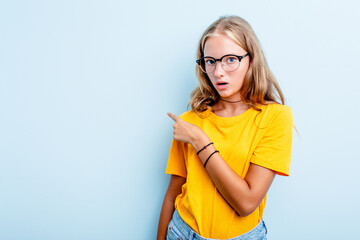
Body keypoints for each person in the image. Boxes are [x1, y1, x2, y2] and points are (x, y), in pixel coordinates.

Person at [157, 15, 294, 240]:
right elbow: (173, 193)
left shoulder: (275, 117)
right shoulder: (189, 121)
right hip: (180, 233)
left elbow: (246, 203)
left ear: (251, 59)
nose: (218, 72)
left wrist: (200, 141)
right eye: (210, 61)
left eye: (230, 59)